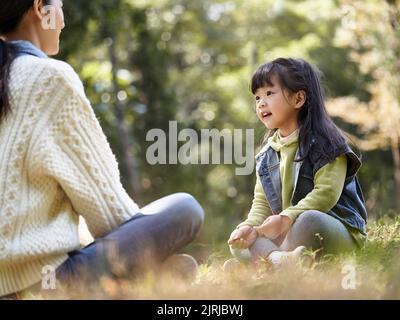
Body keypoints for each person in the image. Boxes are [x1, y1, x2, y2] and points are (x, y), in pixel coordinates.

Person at [0, 0, 204, 299]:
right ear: (39, 7)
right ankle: (148, 279)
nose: (64, 21)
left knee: (174, 264)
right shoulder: (49, 78)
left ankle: (149, 281)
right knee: (185, 209)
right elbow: (110, 215)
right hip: (44, 283)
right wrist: (151, 253)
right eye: (60, 7)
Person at [227, 57, 367, 269]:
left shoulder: (327, 143)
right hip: (288, 237)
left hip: (332, 230)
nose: (261, 103)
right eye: (257, 97)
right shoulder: (266, 155)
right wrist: (250, 227)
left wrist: (285, 219)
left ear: (298, 98)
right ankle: (280, 261)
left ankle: (263, 263)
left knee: (308, 220)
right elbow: (261, 204)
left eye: (269, 93)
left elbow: (325, 194)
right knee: (239, 240)